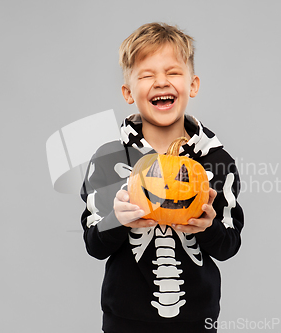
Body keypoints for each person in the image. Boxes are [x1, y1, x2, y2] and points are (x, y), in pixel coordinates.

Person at [80, 22, 244, 333]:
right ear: (128, 92)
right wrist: (117, 219)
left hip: (198, 322)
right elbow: (94, 244)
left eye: (172, 72)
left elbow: (228, 245)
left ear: (192, 85)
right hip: (124, 323)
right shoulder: (109, 160)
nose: (160, 82)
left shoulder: (217, 162)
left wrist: (208, 228)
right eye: (146, 75)